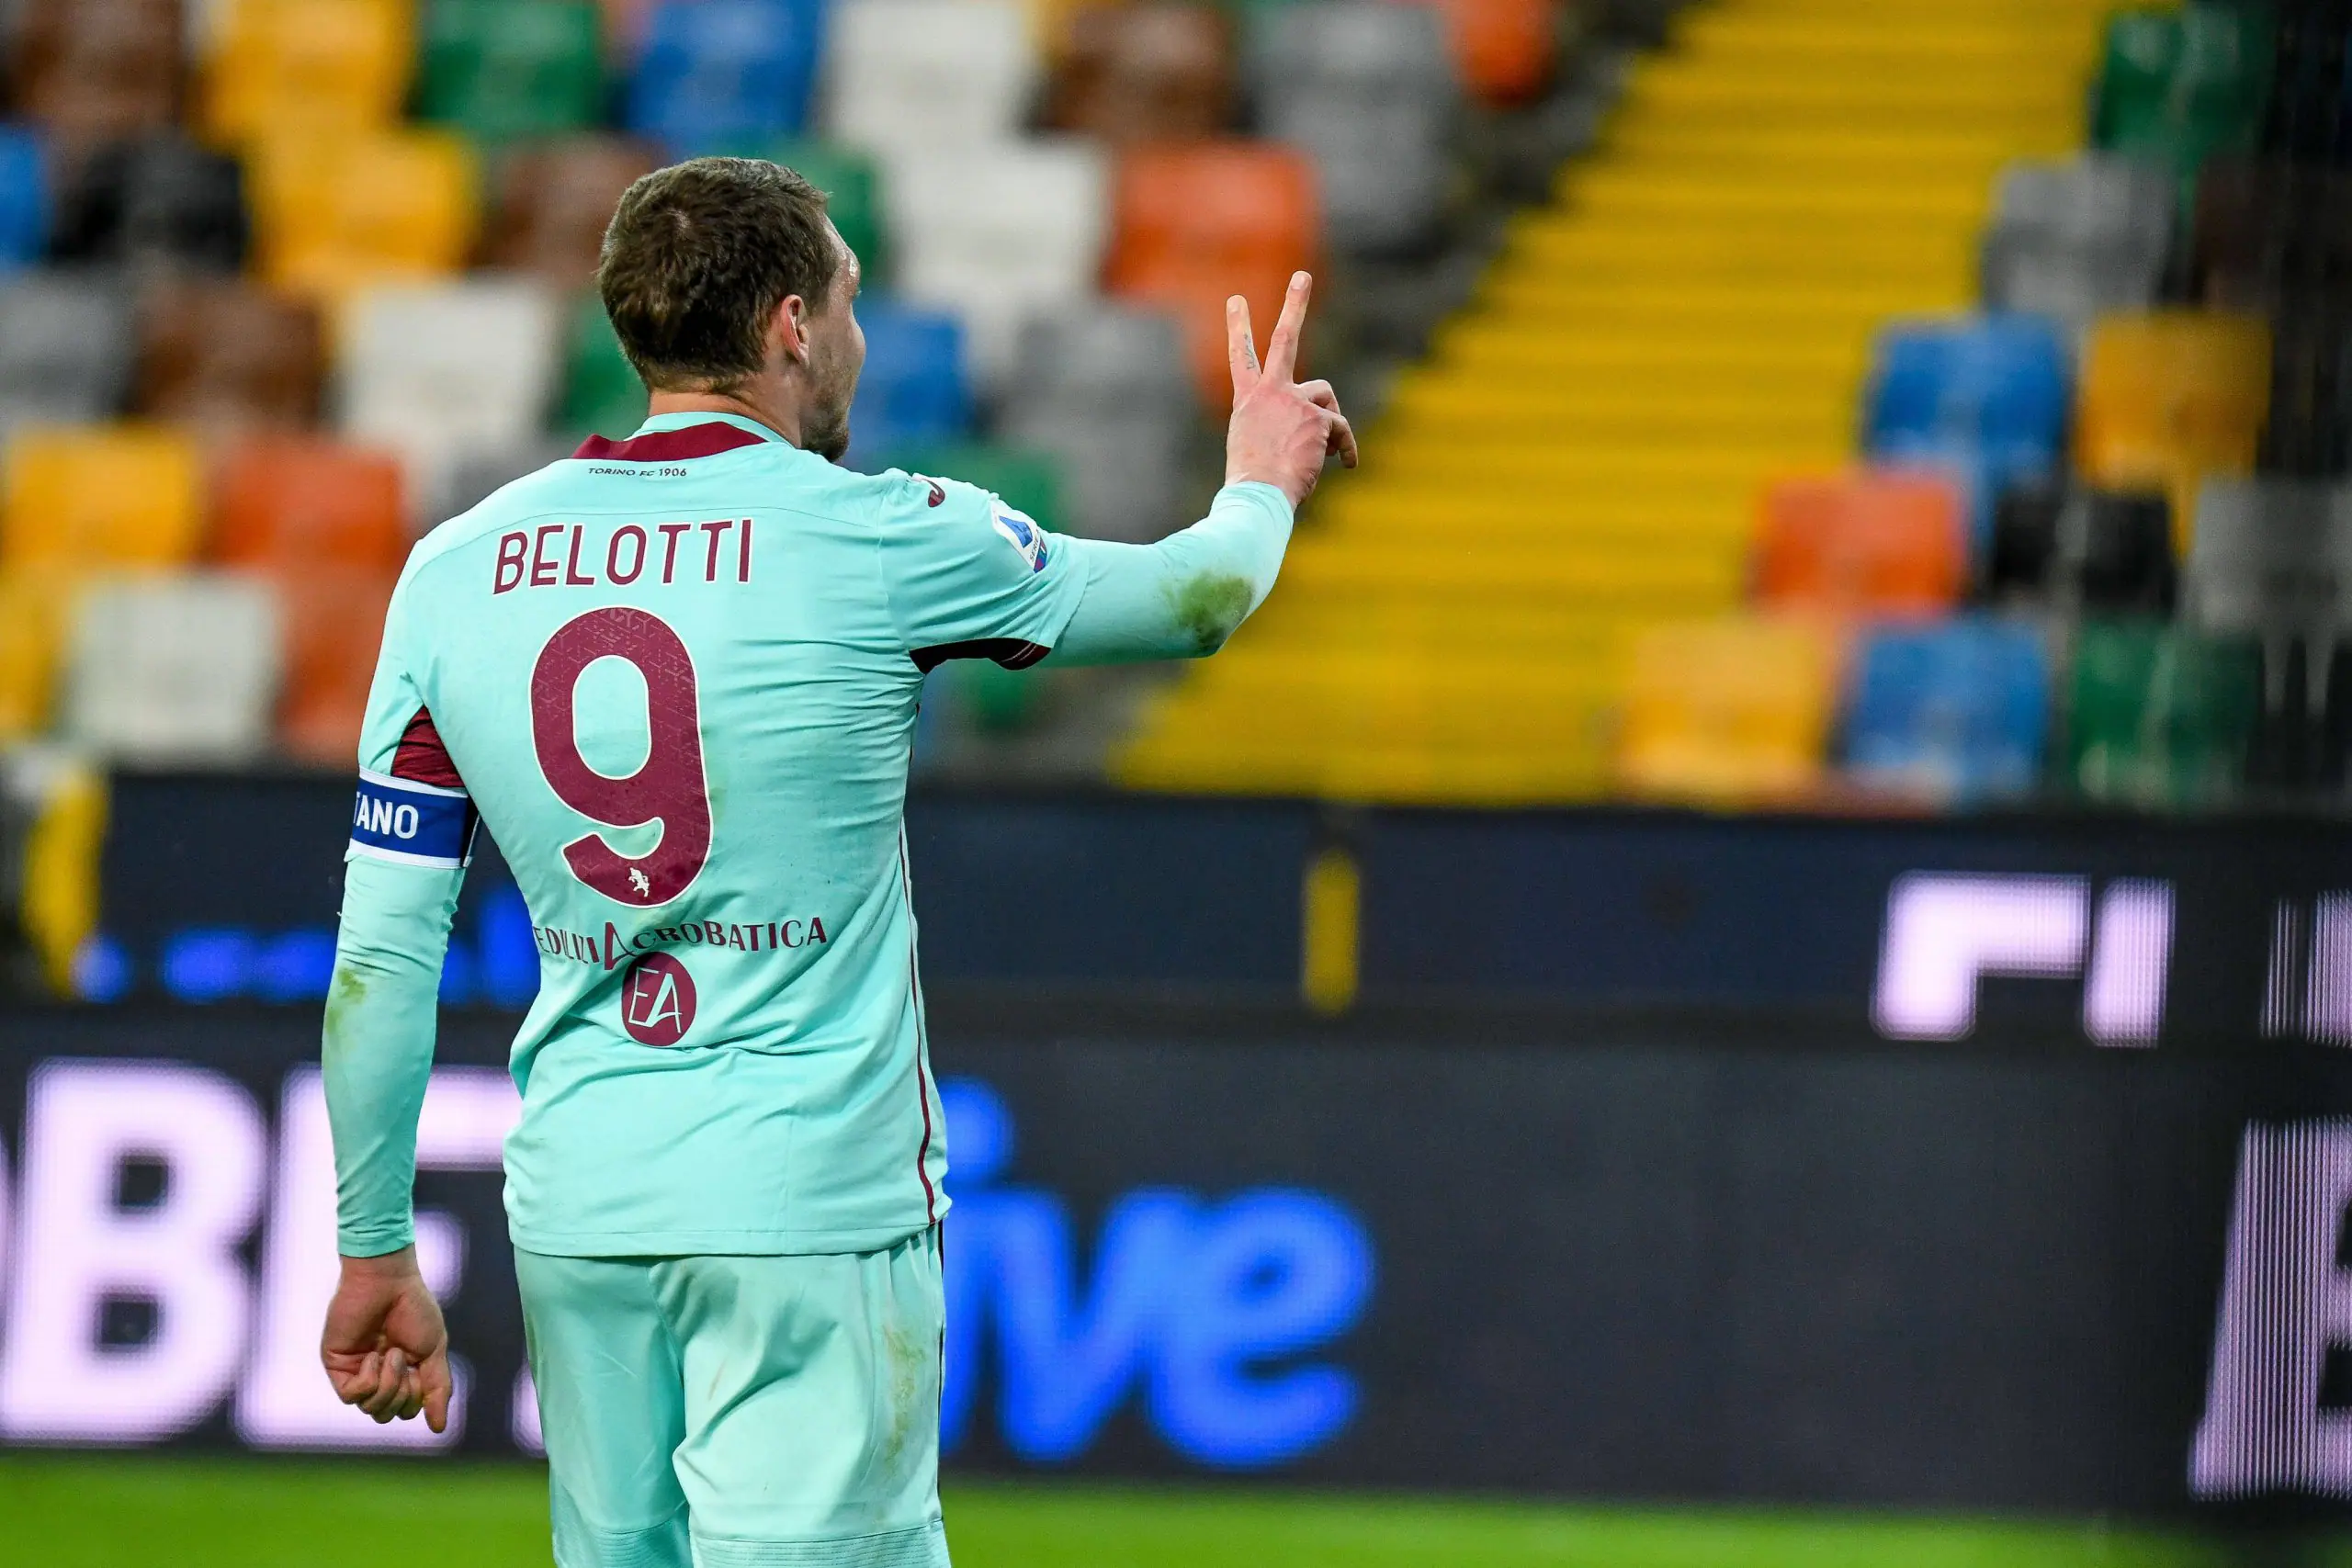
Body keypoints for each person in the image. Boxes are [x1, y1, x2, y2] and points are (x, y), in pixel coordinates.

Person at [315, 156, 1353, 1568]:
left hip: (582, 1211)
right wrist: (1261, 480)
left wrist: (375, 1247)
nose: (861, 334)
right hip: (807, 1209)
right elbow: (1197, 597)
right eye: (852, 298)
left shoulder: (452, 570)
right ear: (791, 326)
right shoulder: (882, 536)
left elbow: (380, 960)